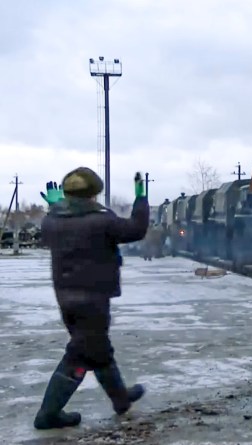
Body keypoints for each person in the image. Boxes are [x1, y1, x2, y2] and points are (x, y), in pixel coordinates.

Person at [34, 167, 149, 430]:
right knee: (79, 355)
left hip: (66, 298)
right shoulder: (102, 220)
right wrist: (141, 199)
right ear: (92, 195)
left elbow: (56, 226)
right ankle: (48, 414)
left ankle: (121, 399)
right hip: (93, 300)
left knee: (99, 350)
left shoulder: (51, 220)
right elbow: (136, 230)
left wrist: (55, 207)